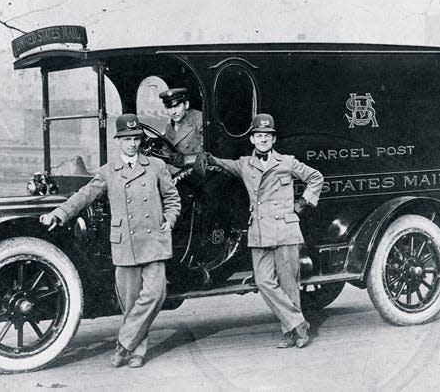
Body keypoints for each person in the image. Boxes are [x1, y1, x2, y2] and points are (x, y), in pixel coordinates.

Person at [40, 113, 181, 368]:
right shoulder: (108, 172)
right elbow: (83, 196)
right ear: (118, 141)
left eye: (136, 138)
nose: (132, 144)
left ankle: (123, 343)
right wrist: (59, 213)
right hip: (125, 242)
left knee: (157, 294)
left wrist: (169, 219)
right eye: (127, 139)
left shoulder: (156, 167)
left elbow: (173, 199)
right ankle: (137, 351)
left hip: (154, 241)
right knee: (130, 302)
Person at [195, 113, 323, 348]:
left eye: (267, 136)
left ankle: (290, 332)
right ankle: (298, 323)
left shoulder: (287, 162)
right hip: (260, 231)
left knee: (289, 284)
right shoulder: (245, 164)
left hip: (285, 228)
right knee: (264, 282)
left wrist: (302, 204)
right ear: (252, 139)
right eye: (259, 136)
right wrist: (208, 157)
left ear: (273, 140)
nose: (263, 139)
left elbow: (316, 177)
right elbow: (223, 164)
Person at [159, 88, 204, 168]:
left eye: (177, 106)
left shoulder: (199, 120)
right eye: (169, 107)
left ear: (186, 105)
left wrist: (186, 160)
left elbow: (210, 155)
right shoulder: (169, 127)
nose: (173, 112)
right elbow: (167, 154)